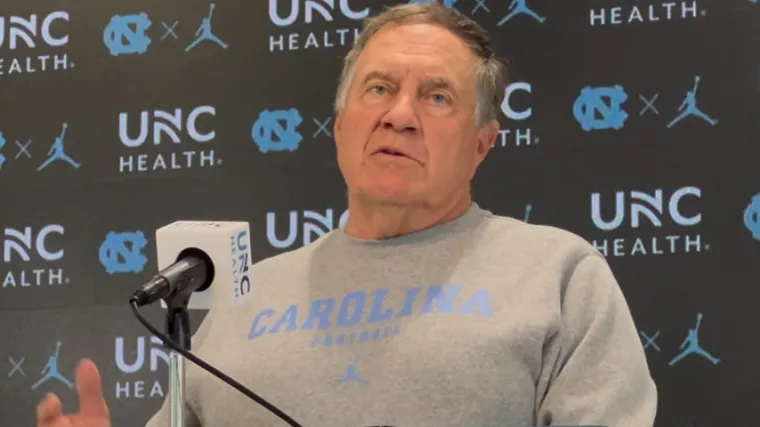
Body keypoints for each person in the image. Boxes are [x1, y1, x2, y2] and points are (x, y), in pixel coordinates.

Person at [35, 3, 657, 427]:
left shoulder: (557, 275)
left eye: (437, 96)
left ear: (481, 144)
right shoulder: (240, 298)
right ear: (340, 127)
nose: (400, 115)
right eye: (379, 89)